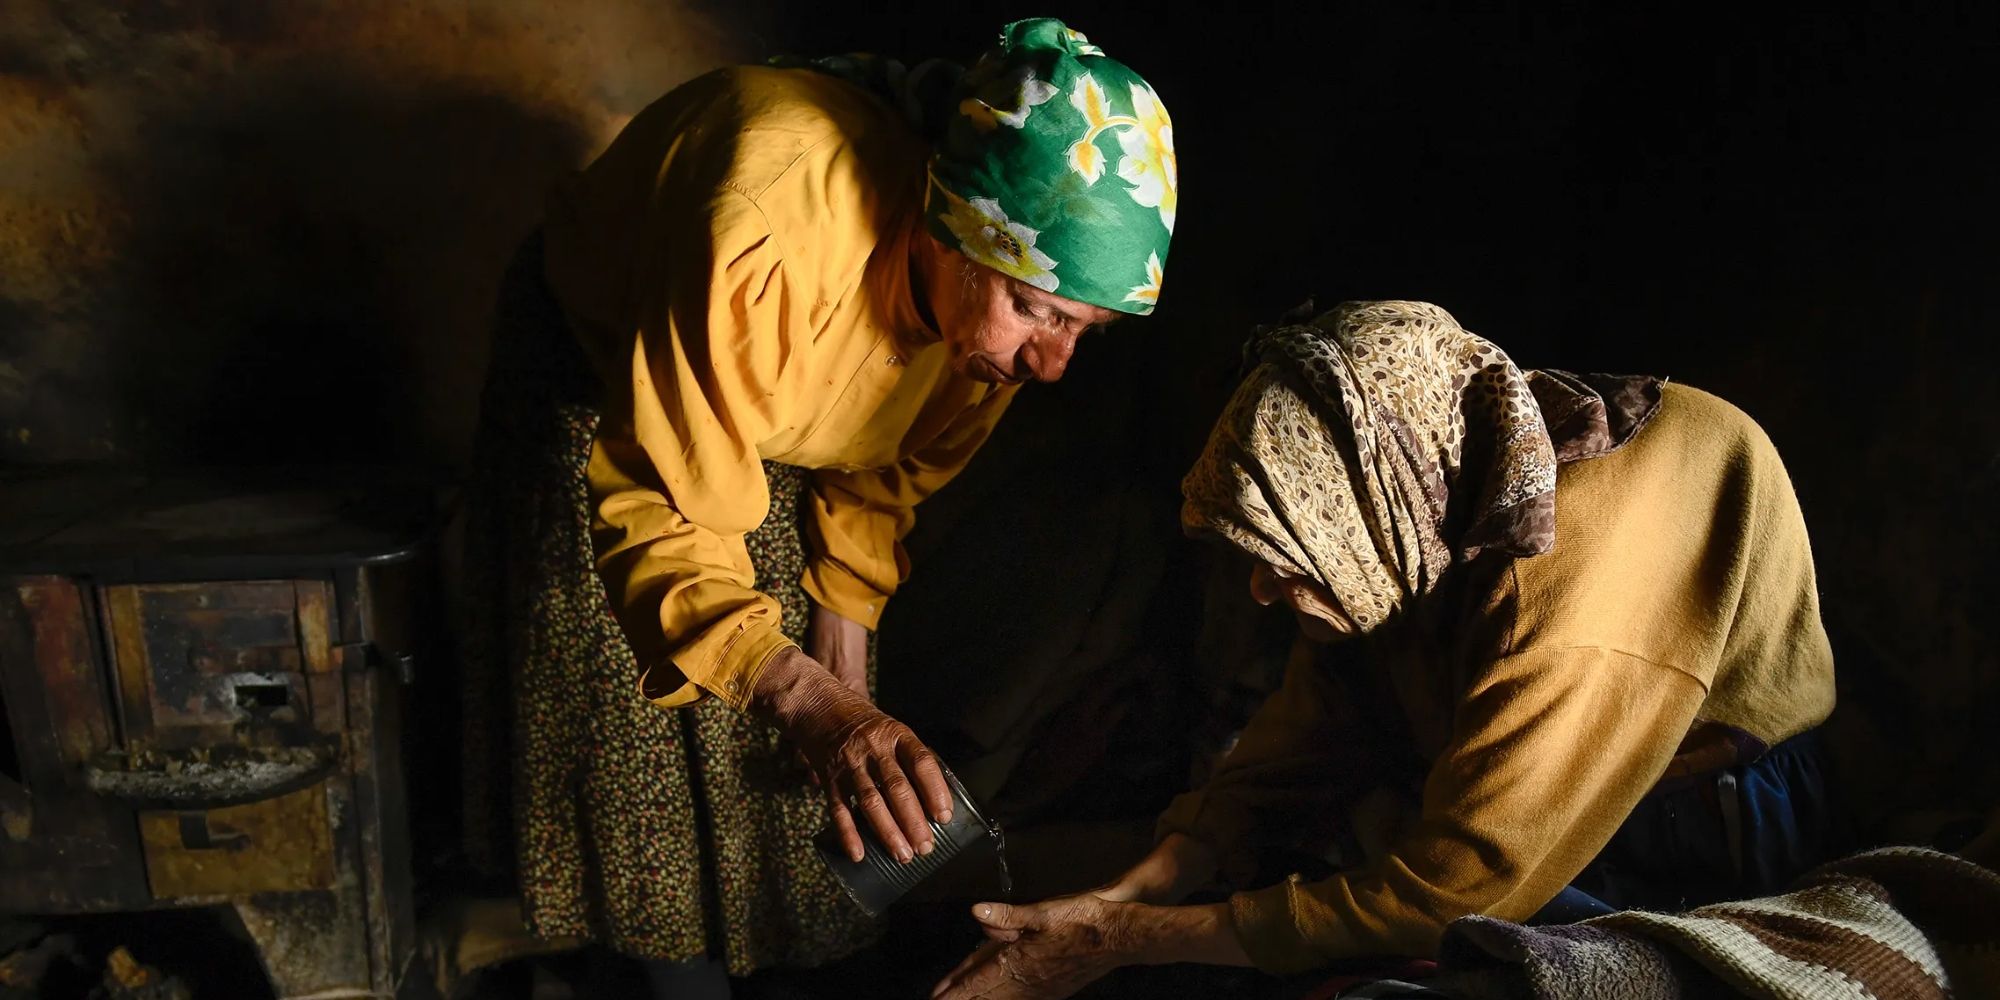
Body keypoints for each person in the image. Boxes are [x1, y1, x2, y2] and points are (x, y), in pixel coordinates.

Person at [456, 18, 1177, 998]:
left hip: (777, 389)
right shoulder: (759, 227)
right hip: (608, 366)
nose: (1048, 363)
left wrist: (844, 694)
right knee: (637, 690)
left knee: (825, 724)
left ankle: (784, 956)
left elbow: (876, 483)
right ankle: (651, 959)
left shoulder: (984, 332)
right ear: (952, 230)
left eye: (1082, 330)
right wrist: (807, 703)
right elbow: (666, 506)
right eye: (1039, 312)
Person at [933, 300, 1838, 998]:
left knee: (1420, 968)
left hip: (1686, 809)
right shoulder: (1427, 496)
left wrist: (1110, 944)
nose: (1258, 591)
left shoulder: (1574, 603)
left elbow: (1454, 891)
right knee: (1269, 896)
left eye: (1284, 560)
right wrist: (1144, 882)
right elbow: (1314, 725)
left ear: (1373, 515)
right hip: (1483, 751)